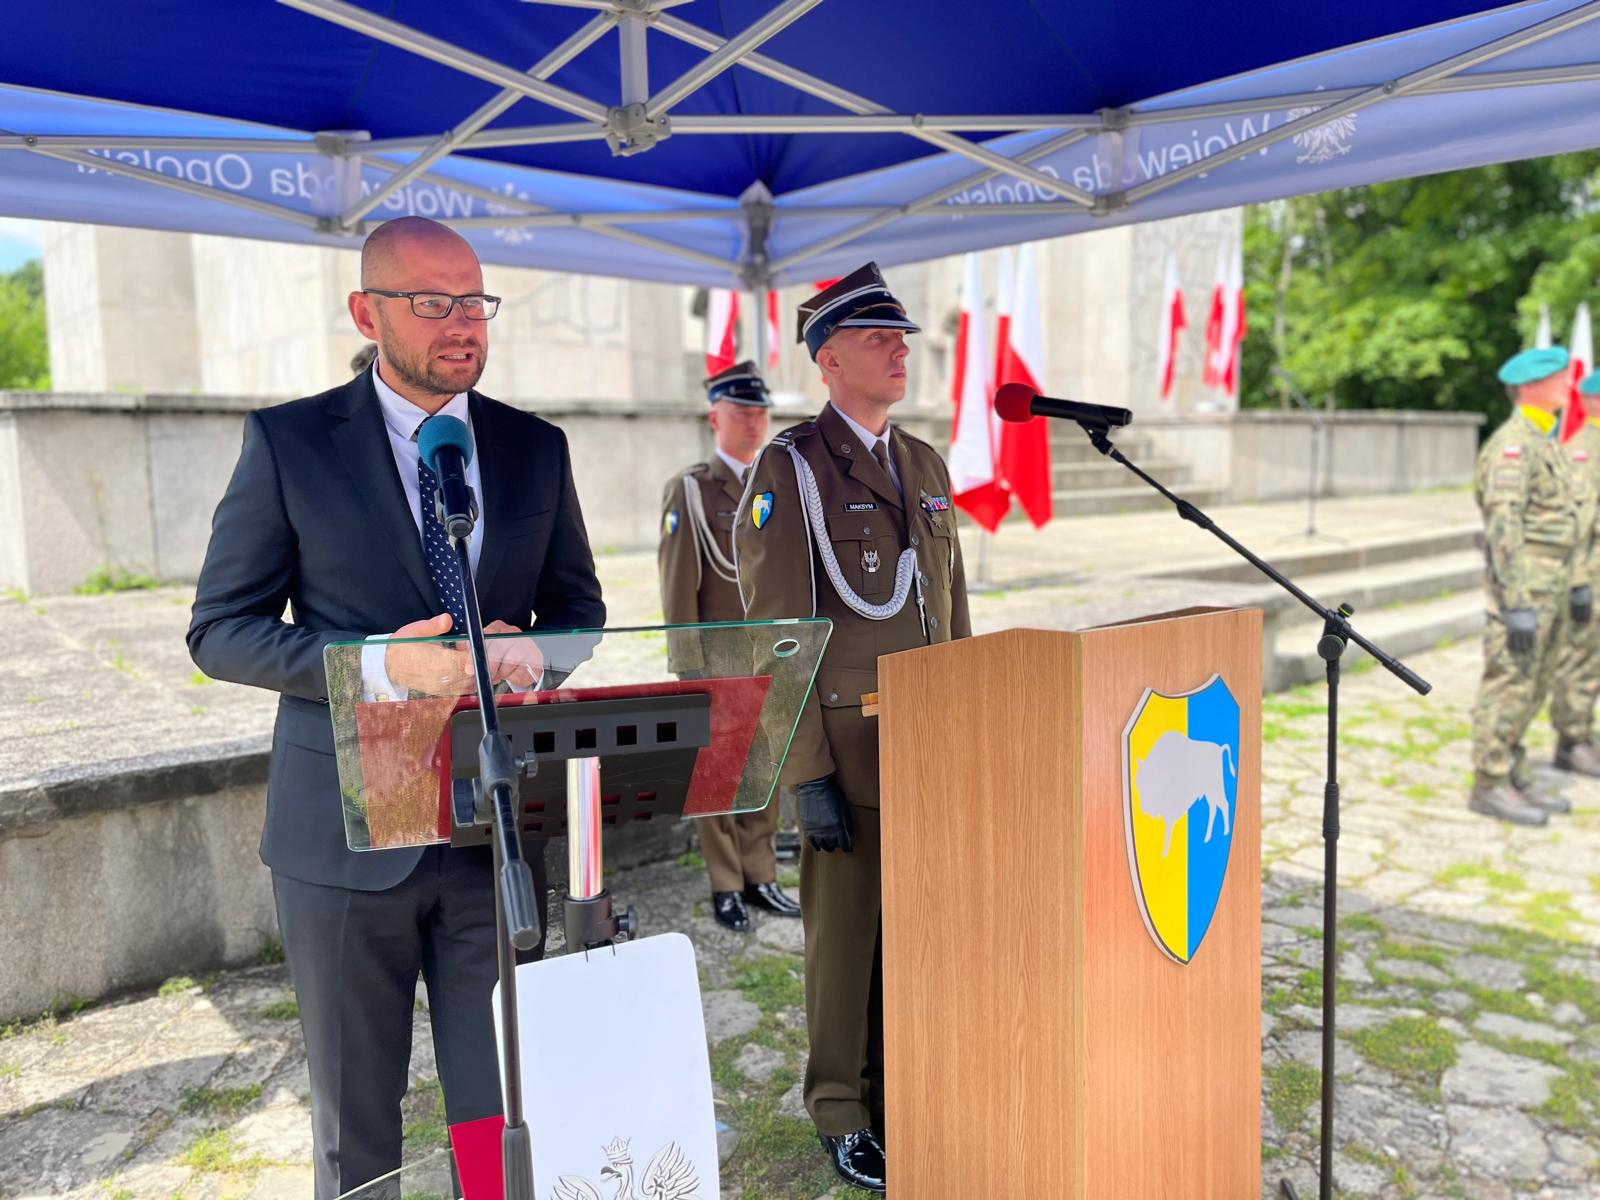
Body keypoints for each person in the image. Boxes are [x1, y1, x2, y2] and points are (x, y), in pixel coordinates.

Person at [187, 216, 605, 1199]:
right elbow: (219, 630)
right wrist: (376, 666)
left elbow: (578, 611)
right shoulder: (290, 444)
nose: (463, 323)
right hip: (342, 836)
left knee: (498, 1108)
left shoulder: (534, 447)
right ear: (366, 313)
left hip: (490, 827)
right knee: (357, 1123)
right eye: (432, 302)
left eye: (475, 302)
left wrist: (530, 654)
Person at [733, 263, 971, 1192]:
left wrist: (976, 717)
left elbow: (951, 608)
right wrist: (805, 776)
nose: (899, 351)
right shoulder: (789, 470)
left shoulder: (926, 465)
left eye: (901, 337)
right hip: (850, 752)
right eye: (878, 338)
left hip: (931, 741)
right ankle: (840, 1105)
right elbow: (775, 637)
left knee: (915, 931)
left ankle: (902, 1083)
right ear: (828, 359)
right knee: (845, 943)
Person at [657, 360, 802, 932]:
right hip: (717, 658)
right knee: (716, 776)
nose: (753, 422)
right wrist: (687, 665)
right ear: (715, 417)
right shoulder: (692, 490)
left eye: (760, 412)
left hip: (769, 654)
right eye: (741, 411)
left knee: (764, 769)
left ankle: (761, 874)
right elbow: (678, 585)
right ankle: (726, 883)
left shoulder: (779, 484)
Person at [1470, 345, 1585, 826]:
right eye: (1558, 379)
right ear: (1529, 387)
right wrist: (1515, 602)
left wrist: (1576, 582)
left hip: (1550, 585)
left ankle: (1513, 771)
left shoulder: (1544, 441)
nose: (1567, 385)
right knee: (1510, 683)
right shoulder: (1512, 446)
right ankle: (1490, 782)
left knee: (1534, 684)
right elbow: (1505, 527)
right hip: (1525, 590)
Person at [1549, 369, 1600, 779]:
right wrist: (1580, 581)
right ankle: (1571, 740)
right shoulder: (1583, 449)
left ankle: (1583, 731)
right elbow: (1577, 524)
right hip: (1591, 576)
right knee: (1580, 659)